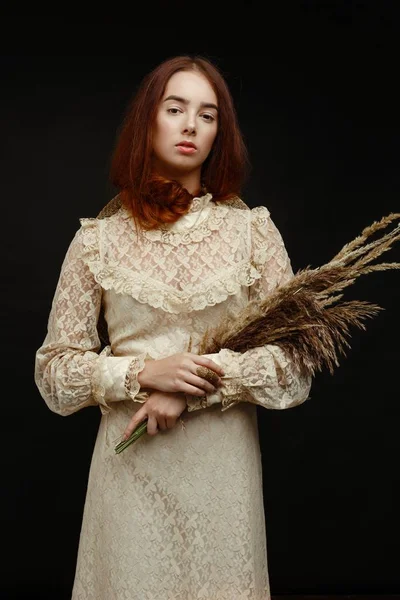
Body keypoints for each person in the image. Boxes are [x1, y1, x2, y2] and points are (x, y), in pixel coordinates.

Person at [34, 55, 312, 600]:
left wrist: (191, 389)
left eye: (207, 115)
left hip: (222, 476)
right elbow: (54, 375)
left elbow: (295, 366)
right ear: (148, 121)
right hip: (130, 473)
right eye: (176, 108)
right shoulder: (97, 240)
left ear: (219, 133)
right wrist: (144, 374)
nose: (191, 125)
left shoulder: (253, 233)